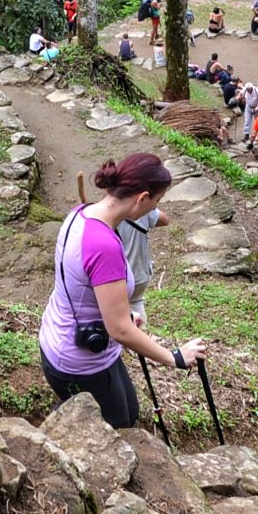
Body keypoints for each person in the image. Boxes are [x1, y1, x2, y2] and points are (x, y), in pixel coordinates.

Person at [39, 154, 209, 429]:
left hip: (71, 339)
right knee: (116, 426)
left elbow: (81, 285)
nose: (156, 207)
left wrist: (122, 311)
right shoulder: (104, 245)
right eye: (157, 201)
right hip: (77, 361)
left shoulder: (80, 214)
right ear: (142, 198)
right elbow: (119, 330)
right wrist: (175, 357)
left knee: (129, 411)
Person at [117, 202, 169, 326]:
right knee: (136, 303)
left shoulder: (102, 216)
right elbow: (165, 220)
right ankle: (141, 338)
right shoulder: (141, 210)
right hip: (138, 275)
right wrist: (150, 209)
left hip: (112, 278)